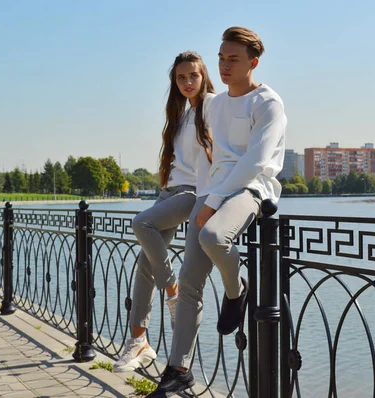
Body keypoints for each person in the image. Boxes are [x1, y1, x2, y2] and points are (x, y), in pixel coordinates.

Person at [147, 26, 287, 396]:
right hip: (210, 193)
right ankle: (178, 370)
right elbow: (191, 124)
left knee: (212, 236)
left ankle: (236, 288)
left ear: (253, 63)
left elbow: (254, 162)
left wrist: (209, 202)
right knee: (189, 282)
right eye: (221, 58)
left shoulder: (268, 103)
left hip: (250, 190)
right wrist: (198, 196)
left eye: (233, 59)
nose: (224, 65)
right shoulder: (215, 104)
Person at [113, 51, 216, 372]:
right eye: (181, 77)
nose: (187, 82)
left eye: (193, 76)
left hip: (192, 194)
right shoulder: (181, 114)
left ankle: (172, 289)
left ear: (203, 76)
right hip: (168, 192)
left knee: (141, 224)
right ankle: (139, 341)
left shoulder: (213, 106)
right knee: (145, 263)